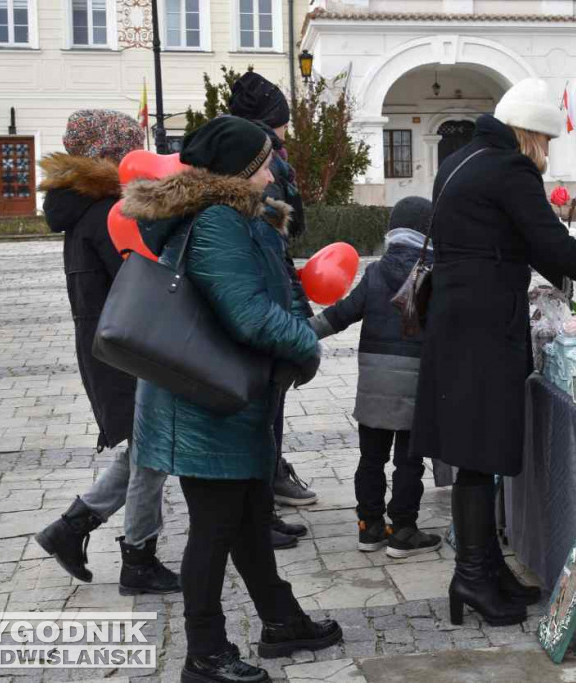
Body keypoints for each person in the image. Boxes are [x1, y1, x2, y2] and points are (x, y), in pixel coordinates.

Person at [411, 78, 576, 627]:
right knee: (478, 454)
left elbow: (515, 240)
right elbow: (550, 242)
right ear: (531, 134)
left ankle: (485, 567)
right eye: (545, 141)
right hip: (482, 329)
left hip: (458, 321)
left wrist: (574, 279)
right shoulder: (509, 167)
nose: (544, 153)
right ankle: (473, 576)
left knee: (474, 453)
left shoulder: (461, 159)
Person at [122, 116, 341, 683]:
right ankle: (205, 653)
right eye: (265, 160)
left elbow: (271, 285)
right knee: (215, 527)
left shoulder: (244, 216)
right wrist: (304, 344)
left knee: (246, 516)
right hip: (204, 399)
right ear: (242, 168)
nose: (273, 170)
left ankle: (280, 619)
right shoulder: (219, 219)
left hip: (230, 395)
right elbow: (245, 311)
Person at [34, 110, 179, 596]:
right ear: (109, 156)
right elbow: (140, 282)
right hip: (127, 349)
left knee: (148, 449)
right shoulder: (105, 213)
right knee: (152, 451)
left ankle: (70, 529)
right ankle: (138, 558)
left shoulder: (80, 208)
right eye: (128, 150)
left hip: (106, 347)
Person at [308, 197, 442, 558]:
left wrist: (300, 332)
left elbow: (340, 315)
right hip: (416, 382)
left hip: (374, 383)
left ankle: (369, 528)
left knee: (371, 459)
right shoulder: (436, 274)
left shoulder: (377, 273)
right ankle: (403, 531)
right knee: (408, 462)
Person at [229, 71, 319, 551]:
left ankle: (261, 506)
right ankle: (256, 513)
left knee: (261, 407)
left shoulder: (228, 150)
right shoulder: (266, 157)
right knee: (264, 408)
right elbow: (293, 221)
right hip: (268, 293)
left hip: (262, 290)